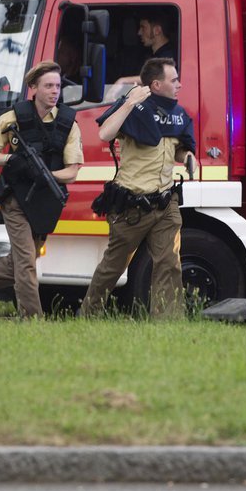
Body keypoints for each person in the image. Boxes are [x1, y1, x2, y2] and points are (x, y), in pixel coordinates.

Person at [0, 61, 83, 319]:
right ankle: (32, 319)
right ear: (33, 88)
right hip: (15, 199)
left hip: (45, 200)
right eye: (48, 86)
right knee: (26, 262)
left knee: (20, 262)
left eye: (58, 86)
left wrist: (46, 175)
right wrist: (11, 160)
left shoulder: (68, 122)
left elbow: (72, 171)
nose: (54, 91)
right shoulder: (13, 117)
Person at [80, 57, 196, 319]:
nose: (179, 84)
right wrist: (130, 101)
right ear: (156, 84)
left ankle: (167, 323)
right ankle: (88, 314)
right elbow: (104, 134)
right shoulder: (134, 110)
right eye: (173, 79)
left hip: (165, 203)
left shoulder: (177, 114)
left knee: (169, 264)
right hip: (131, 206)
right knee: (113, 266)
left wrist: (187, 156)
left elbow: (178, 148)